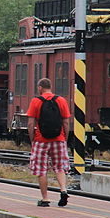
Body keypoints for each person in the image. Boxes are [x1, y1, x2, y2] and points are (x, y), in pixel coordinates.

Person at [27, 77, 71, 207]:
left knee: (41, 170)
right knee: (60, 167)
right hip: (59, 139)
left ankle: (45, 199)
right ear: (50, 87)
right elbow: (66, 122)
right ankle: (63, 190)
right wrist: (65, 138)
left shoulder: (36, 101)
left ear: (40, 87)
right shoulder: (61, 100)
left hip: (41, 140)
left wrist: (32, 139)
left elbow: (30, 123)